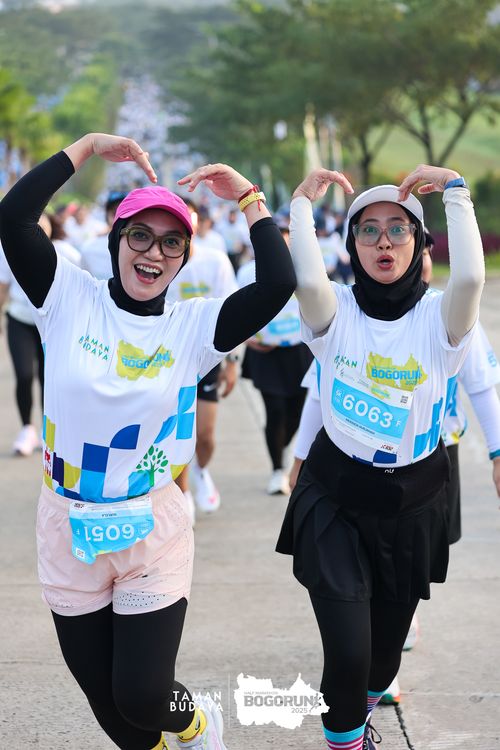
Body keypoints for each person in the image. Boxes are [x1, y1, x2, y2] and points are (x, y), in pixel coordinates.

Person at [0, 132, 296, 750]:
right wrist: (85, 148)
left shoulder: (194, 326)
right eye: (140, 235)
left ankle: (196, 720)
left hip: (150, 526)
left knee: (143, 696)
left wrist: (248, 197)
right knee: (114, 712)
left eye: (171, 242)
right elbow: (13, 218)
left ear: (184, 257)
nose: (153, 252)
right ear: (116, 242)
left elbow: (276, 284)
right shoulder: (66, 295)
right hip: (67, 523)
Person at [276, 165, 484, 750]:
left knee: (383, 659)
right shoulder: (333, 311)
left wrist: (455, 191)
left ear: (420, 243)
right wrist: (300, 204)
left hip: (413, 502)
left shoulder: (442, 318)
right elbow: (306, 278)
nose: (384, 241)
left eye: (399, 228)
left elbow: (472, 276)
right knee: (348, 653)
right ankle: (348, 740)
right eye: (368, 230)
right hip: (334, 497)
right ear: (351, 246)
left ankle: (358, 716)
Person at [166, 199, 239, 520]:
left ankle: (199, 470)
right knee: (177, 433)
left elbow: (233, 312)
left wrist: (233, 361)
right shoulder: (160, 261)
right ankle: (182, 494)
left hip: (208, 357)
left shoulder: (215, 261)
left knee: (205, 436)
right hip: (169, 359)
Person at [237, 222, 313, 494]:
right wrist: (247, 338)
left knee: (297, 412)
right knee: (275, 410)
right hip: (265, 353)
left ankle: (282, 446)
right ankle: (277, 469)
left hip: (299, 350)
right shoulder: (248, 272)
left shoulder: (305, 271)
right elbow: (236, 309)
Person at [0, 212, 80, 456]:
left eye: (41, 227)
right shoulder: (8, 250)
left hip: (53, 324)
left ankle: (49, 432)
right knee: (24, 375)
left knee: (50, 379)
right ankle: (27, 429)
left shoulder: (66, 253)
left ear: (51, 229)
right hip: (20, 319)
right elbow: (3, 287)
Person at [80, 190, 128, 279]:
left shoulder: (145, 249)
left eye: (125, 213)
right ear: (107, 216)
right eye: (115, 213)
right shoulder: (89, 248)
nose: (119, 219)